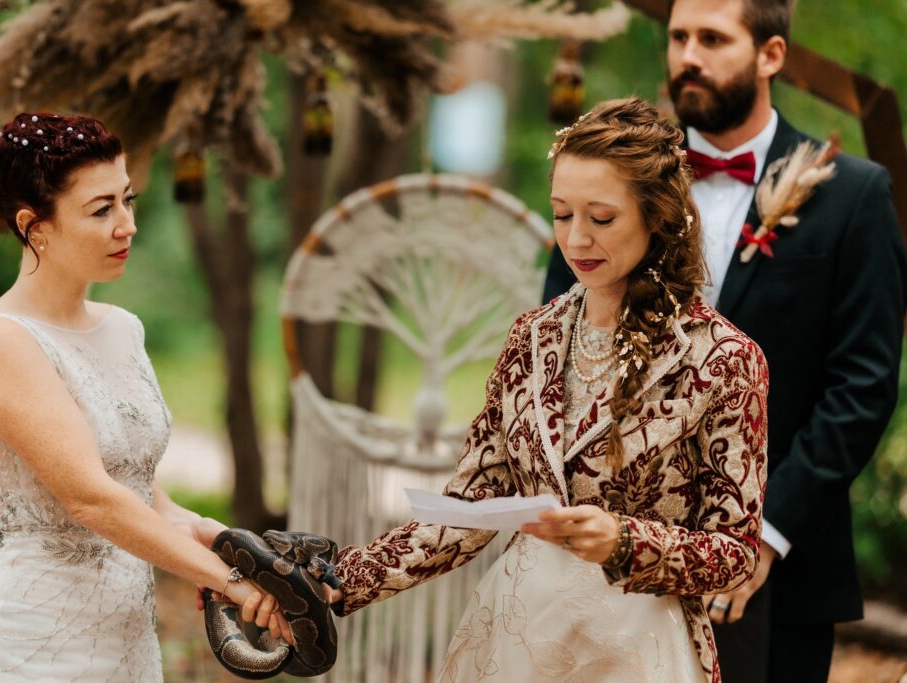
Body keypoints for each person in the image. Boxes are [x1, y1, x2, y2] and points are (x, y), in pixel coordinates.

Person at [330, 97, 769, 683]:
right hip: (517, 637)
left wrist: (625, 541)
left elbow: (735, 553)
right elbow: (467, 511)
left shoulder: (723, 360)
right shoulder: (530, 338)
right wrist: (337, 581)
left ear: (658, 217)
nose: (577, 238)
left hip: (639, 651)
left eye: (601, 218)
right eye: (562, 215)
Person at [543, 2, 907, 682]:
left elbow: (862, 386)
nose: (688, 56)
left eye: (712, 39)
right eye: (679, 37)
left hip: (778, 572)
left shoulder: (854, 197)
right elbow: (557, 347)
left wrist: (763, 533)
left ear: (771, 55)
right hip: (608, 560)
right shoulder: (607, 182)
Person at [0, 113, 292, 682]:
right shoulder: (3, 341)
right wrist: (225, 581)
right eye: (101, 209)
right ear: (34, 226)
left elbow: (138, 492)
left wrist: (211, 535)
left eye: (127, 200)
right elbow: (91, 499)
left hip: (125, 636)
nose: (127, 225)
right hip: (33, 638)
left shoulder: (123, 329)